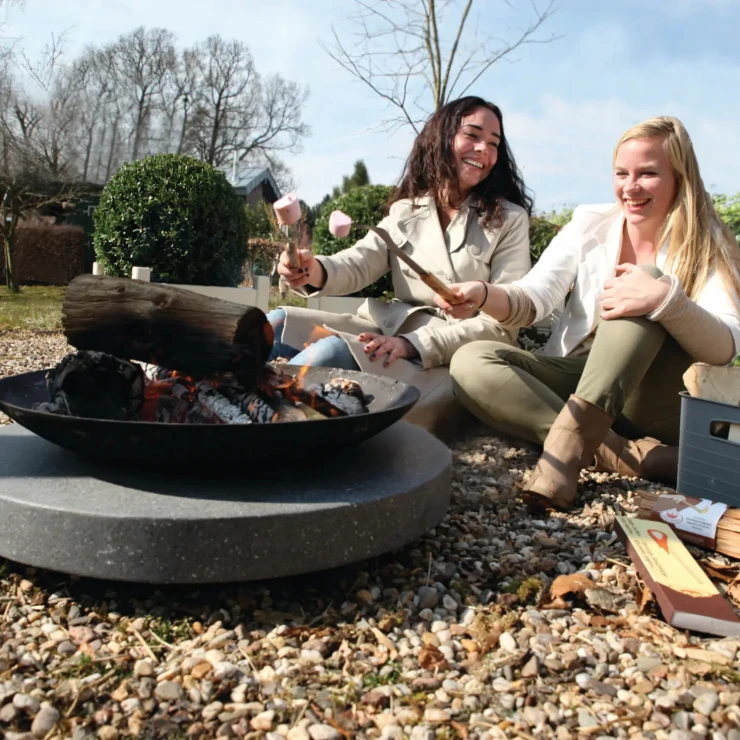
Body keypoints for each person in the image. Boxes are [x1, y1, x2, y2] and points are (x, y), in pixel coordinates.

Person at [438, 116, 740, 510]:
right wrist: (482, 294)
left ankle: (563, 456)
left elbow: (726, 345)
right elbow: (534, 297)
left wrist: (668, 302)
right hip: (580, 379)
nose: (630, 187)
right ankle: (625, 454)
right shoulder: (590, 223)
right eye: (621, 173)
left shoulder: (709, 239)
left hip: (653, 398)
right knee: (471, 361)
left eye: (648, 173)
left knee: (644, 281)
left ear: (679, 178)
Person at [266, 96, 532, 430]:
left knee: (327, 357)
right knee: (274, 323)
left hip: (444, 355)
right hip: (386, 329)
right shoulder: (406, 210)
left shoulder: (509, 219)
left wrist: (412, 345)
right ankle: (220, 403)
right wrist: (310, 269)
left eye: (493, 143)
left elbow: (502, 328)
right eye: (472, 135)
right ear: (442, 137)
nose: (484, 150)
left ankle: (258, 424)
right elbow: (358, 263)